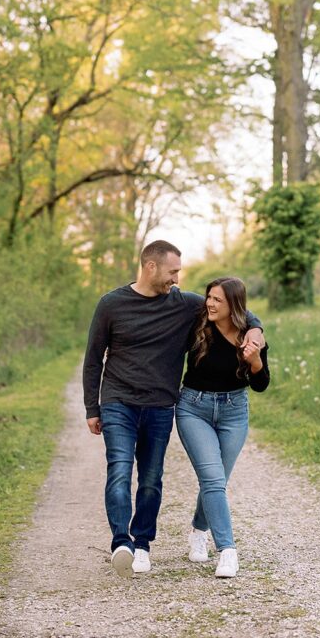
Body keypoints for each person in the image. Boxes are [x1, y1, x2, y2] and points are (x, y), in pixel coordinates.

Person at [83, 240, 264, 578]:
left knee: (151, 479)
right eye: (173, 271)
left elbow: (233, 306)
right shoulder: (111, 304)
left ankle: (142, 544)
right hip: (118, 401)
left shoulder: (183, 304)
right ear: (150, 267)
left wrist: (256, 330)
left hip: (160, 405)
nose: (177, 279)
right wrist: (92, 406)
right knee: (120, 470)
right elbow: (93, 358)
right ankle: (121, 542)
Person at [176, 276, 270, 579]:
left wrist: (255, 360)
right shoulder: (198, 325)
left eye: (218, 299)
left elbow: (261, 384)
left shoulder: (250, 336)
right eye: (209, 297)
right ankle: (228, 550)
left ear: (234, 305)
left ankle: (198, 530)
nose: (210, 303)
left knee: (216, 480)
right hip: (193, 409)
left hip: (234, 413)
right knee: (213, 479)